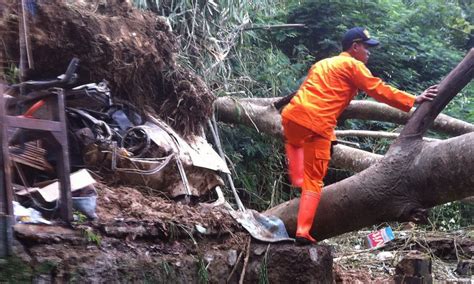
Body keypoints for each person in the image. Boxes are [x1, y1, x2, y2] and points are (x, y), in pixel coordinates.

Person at [281, 27, 438, 245]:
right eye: (366, 47)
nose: (369, 52)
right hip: (317, 124)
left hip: (291, 117)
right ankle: (303, 231)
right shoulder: (353, 65)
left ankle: (297, 176)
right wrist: (413, 99)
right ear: (355, 47)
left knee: (296, 143)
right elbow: (377, 89)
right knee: (313, 181)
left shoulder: (323, 64)